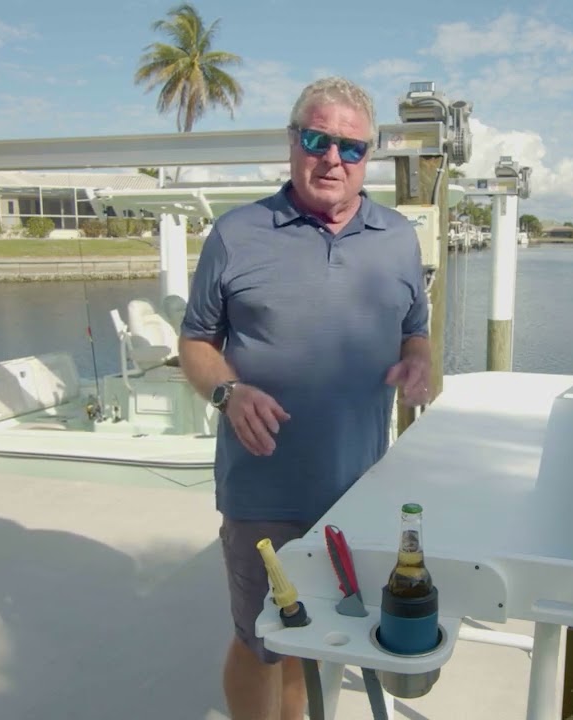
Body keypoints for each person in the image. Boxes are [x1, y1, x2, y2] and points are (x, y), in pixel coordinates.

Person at [179, 76, 431, 720]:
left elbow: (416, 330)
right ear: (293, 142)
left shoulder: (399, 237)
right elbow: (196, 343)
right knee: (260, 639)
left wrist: (421, 363)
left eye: (351, 146)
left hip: (358, 492)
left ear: (367, 156)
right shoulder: (237, 234)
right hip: (264, 492)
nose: (333, 159)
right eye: (318, 139)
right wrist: (229, 393)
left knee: (314, 641)